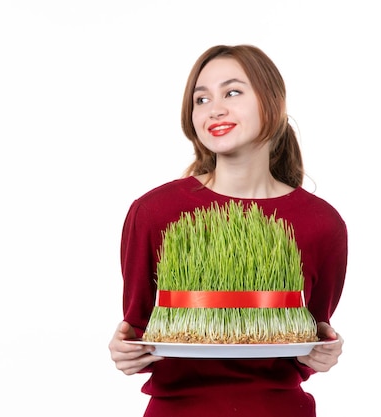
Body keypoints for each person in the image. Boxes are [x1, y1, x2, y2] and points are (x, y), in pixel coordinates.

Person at [108, 44, 347, 417]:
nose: (214, 108)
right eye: (200, 99)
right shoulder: (154, 211)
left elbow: (308, 341)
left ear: (273, 102)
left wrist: (320, 354)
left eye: (232, 92)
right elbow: (138, 332)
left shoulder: (322, 224)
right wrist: (126, 352)